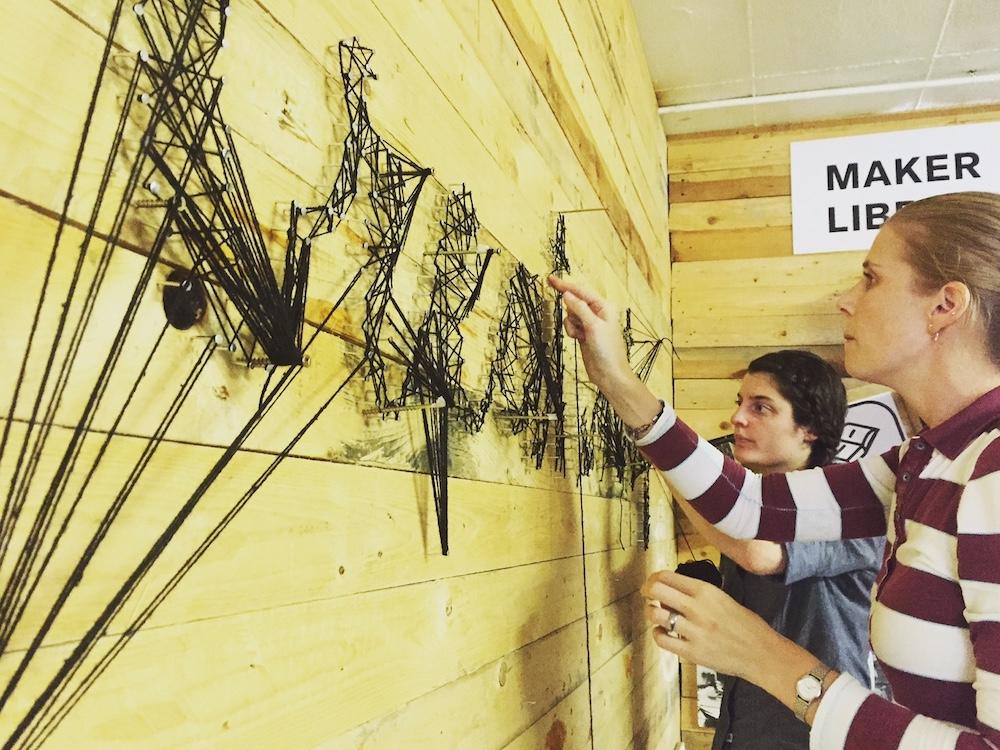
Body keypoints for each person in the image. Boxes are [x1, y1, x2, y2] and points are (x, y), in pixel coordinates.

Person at [548, 191, 1000, 748]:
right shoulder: (925, 460)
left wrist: (760, 654)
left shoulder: (992, 468)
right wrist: (618, 383)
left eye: (871, 279)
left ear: (945, 306)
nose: (845, 300)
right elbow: (750, 507)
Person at [678, 350, 885, 749]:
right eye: (740, 403)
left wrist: (666, 455)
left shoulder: (848, 510)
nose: (739, 418)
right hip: (742, 731)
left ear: (808, 428)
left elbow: (759, 555)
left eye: (761, 407)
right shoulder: (752, 511)